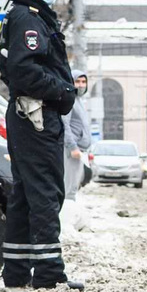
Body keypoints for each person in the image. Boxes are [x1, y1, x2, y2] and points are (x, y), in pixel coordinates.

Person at [0, 0, 82, 291]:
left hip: (28, 114)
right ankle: (49, 274)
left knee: (27, 194)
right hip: (36, 116)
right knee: (47, 192)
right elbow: (24, 70)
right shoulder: (30, 17)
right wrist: (64, 91)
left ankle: (17, 272)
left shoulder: (27, 13)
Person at [63, 70, 92, 202]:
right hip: (72, 151)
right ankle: (66, 218)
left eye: (83, 82)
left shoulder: (79, 101)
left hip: (80, 151)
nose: (81, 85)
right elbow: (65, 125)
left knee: (74, 186)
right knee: (69, 187)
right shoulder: (70, 100)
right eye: (77, 81)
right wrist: (72, 147)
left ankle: (70, 216)